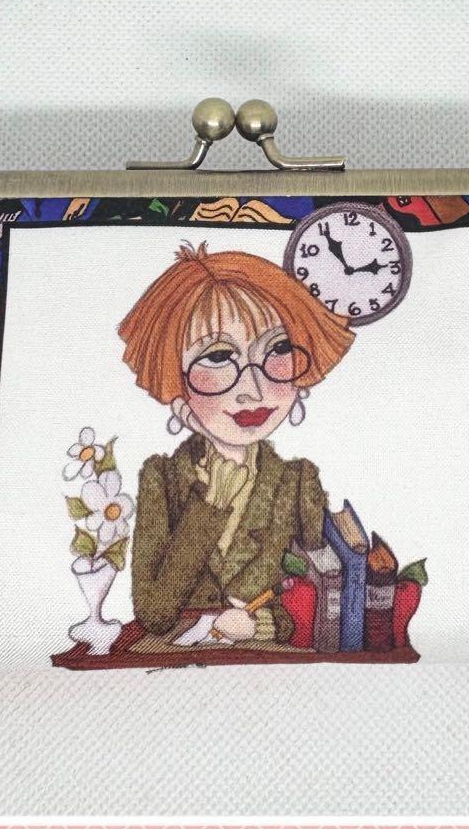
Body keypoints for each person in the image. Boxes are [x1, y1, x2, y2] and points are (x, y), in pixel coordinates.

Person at [118, 242, 355, 642]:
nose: (253, 389)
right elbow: (153, 613)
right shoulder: (162, 478)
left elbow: (316, 596)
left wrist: (264, 625)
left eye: (278, 349)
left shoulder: (298, 482)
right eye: (217, 358)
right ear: (173, 376)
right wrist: (209, 507)